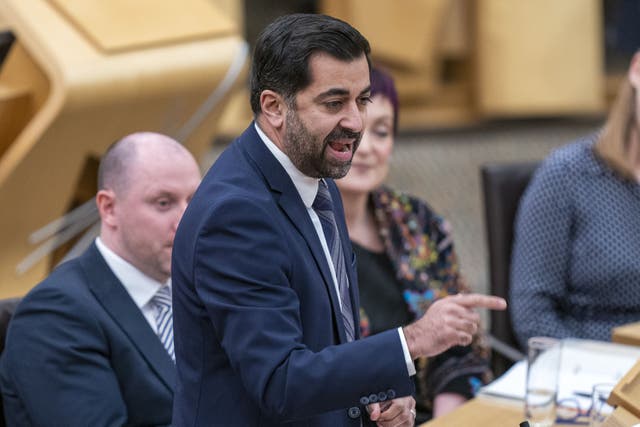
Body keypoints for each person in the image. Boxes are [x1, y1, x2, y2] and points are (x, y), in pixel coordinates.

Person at [172, 13, 506, 427]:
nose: (356, 122)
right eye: (334, 103)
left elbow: (330, 339)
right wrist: (413, 340)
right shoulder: (236, 215)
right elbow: (281, 381)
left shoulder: (314, 164)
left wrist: (381, 389)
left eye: (361, 99)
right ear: (274, 107)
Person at [0, 132, 201, 426]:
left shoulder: (202, 294)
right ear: (109, 208)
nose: (188, 221)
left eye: (194, 201)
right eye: (163, 203)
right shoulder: (55, 316)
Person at [335, 67, 492, 422]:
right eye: (354, 131)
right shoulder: (305, 235)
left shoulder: (417, 221)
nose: (368, 148)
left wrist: (442, 421)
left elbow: (462, 345)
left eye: (381, 131)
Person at [510, 50, 640, 349]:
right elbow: (533, 315)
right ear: (636, 70)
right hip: (590, 371)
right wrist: (594, 366)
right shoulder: (568, 174)